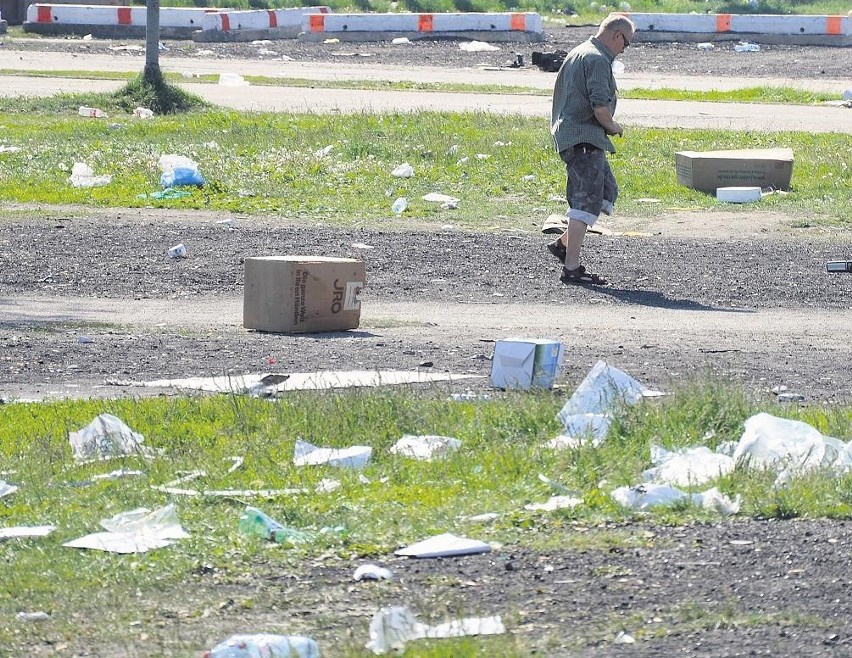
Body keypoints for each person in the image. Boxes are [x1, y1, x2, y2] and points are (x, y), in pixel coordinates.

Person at [547, 13, 635, 286]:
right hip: (584, 139)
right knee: (585, 204)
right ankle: (571, 268)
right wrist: (614, 126)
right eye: (627, 44)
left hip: (579, 138)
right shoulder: (597, 60)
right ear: (617, 35)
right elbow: (600, 108)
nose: (624, 50)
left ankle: (563, 245)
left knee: (606, 191)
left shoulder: (580, 52)